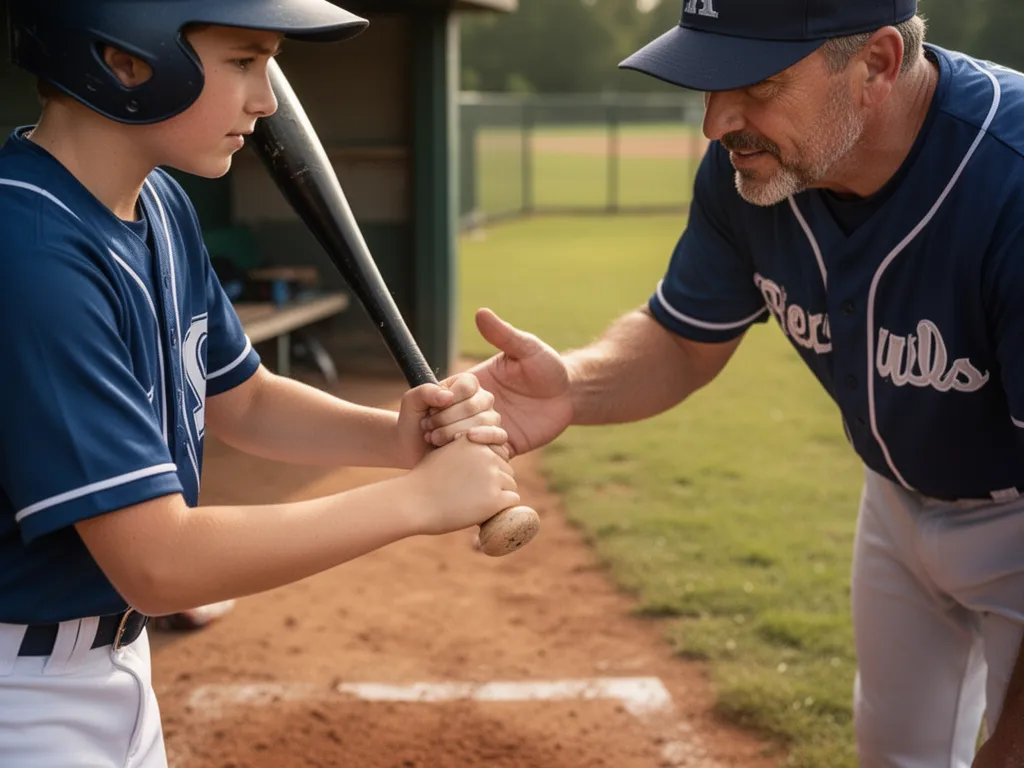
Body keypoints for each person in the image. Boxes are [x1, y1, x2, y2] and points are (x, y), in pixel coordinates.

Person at [427, 1, 1024, 766]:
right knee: (892, 750)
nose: (716, 123)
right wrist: (569, 386)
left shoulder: (1007, 183)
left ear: (874, 63)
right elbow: (681, 341)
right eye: (708, 83)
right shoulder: (758, 165)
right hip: (894, 501)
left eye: (757, 83)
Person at [0, 2, 520, 765]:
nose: (268, 100)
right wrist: (417, 502)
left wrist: (396, 438)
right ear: (124, 58)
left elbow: (239, 399)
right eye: (244, 60)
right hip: (21, 699)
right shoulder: (29, 252)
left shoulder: (159, 204)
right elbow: (159, 563)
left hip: (102, 669)